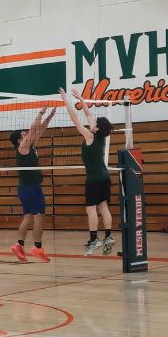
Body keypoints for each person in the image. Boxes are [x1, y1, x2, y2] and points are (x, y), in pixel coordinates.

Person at [60, 88, 115, 255]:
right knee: (103, 207)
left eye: (96, 123)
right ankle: (108, 237)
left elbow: (76, 119)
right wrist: (81, 98)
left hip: (94, 179)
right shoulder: (99, 135)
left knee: (91, 209)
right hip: (104, 177)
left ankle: (93, 240)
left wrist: (66, 100)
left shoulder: (90, 135)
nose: (94, 122)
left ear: (97, 128)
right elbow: (87, 112)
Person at [9, 107, 56, 263]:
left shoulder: (30, 146)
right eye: (23, 134)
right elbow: (33, 128)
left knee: (28, 217)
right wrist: (41, 113)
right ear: (18, 140)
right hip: (31, 188)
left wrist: (50, 116)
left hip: (25, 188)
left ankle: (18, 245)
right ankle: (37, 247)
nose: (27, 134)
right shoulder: (22, 148)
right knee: (39, 217)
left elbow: (39, 129)